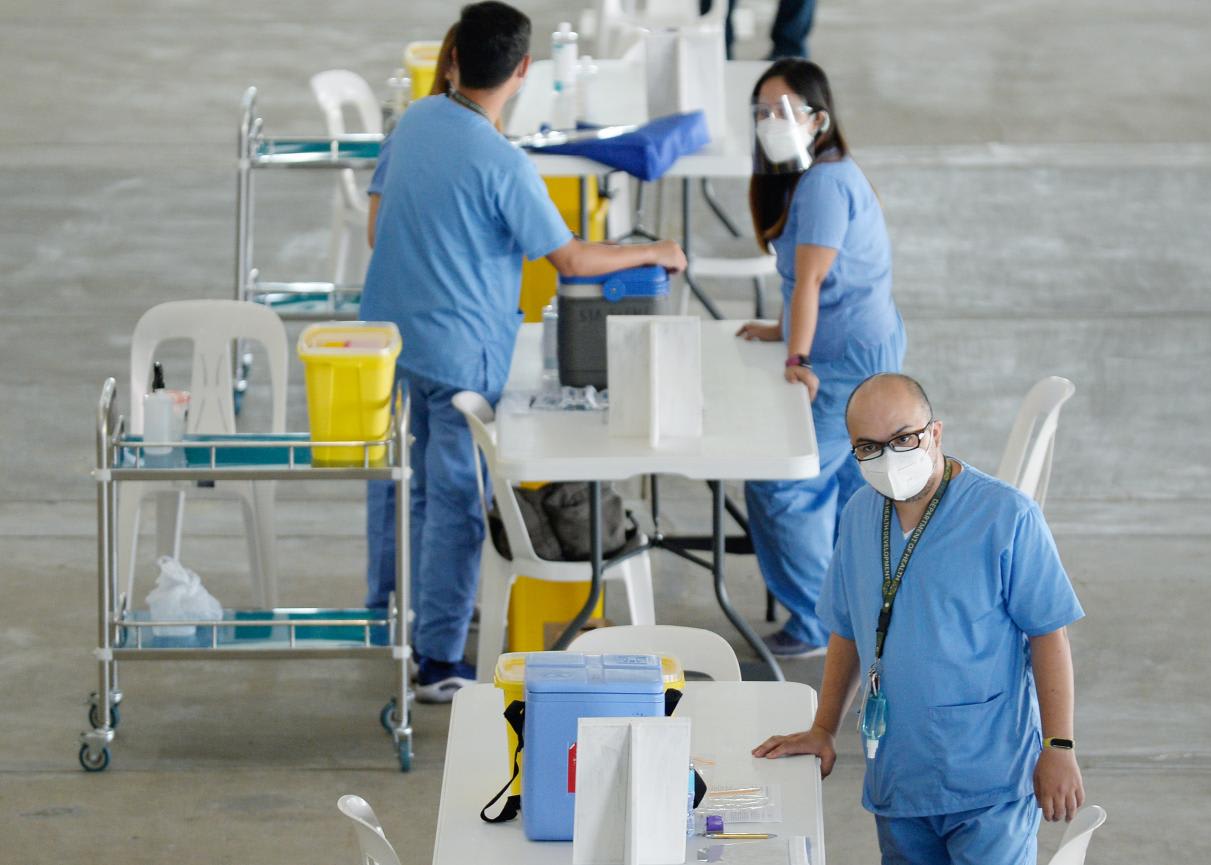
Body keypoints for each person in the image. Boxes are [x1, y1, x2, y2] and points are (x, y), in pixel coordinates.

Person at [362, 1, 686, 703]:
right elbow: (571, 260)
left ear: (452, 59)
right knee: (452, 500)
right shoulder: (503, 164)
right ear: (522, 71)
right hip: (458, 358)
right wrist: (656, 248)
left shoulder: (413, 122)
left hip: (389, 344)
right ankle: (438, 658)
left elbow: (375, 228)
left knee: (399, 484)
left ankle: (385, 611)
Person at [753, 373, 1087, 865]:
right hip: (899, 778)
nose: (889, 456)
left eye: (904, 438)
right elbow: (846, 628)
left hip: (989, 780)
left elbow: (1048, 634)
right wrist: (824, 727)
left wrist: (1058, 745)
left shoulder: (1005, 517)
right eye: (868, 447)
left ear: (935, 432)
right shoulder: (860, 514)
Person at [737, 59, 906, 659]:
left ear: (818, 119)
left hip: (846, 363)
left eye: (783, 110)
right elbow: (812, 284)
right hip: (855, 346)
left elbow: (810, 282)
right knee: (840, 486)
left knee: (781, 478)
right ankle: (848, 611)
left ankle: (815, 623)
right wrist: (782, 330)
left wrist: (797, 356)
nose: (770, 122)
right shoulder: (815, 175)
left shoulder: (827, 184)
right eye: (761, 111)